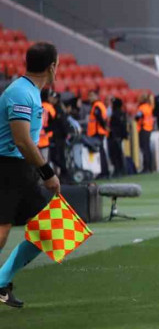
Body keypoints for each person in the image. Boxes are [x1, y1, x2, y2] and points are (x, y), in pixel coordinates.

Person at [0, 42, 62, 308]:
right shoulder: (21, 93)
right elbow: (23, 141)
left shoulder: (30, 92)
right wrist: (47, 173)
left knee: (50, 229)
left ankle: (1, 282)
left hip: (21, 171)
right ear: (52, 67)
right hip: (7, 169)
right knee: (2, 230)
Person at [86, 89, 110, 179]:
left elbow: (100, 119)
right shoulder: (99, 105)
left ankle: (104, 172)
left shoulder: (97, 106)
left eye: (91, 96)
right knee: (101, 152)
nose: (90, 98)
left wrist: (104, 127)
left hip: (97, 132)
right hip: (99, 132)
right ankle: (104, 171)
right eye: (89, 96)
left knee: (100, 153)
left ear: (96, 96)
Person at [134, 92, 155, 173]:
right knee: (147, 148)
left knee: (144, 149)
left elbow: (137, 117)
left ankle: (146, 167)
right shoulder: (149, 106)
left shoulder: (142, 107)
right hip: (148, 128)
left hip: (143, 128)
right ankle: (149, 167)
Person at [108, 97, 128, 177]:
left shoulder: (116, 114)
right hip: (118, 136)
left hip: (115, 136)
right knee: (118, 153)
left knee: (116, 154)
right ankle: (120, 170)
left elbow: (119, 126)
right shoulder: (121, 113)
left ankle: (118, 170)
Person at [38, 89, 56, 162]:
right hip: (46, 137)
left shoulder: (36, 106)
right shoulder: (50, 108)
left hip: (36, 138)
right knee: (45, 161)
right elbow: (54, 122)